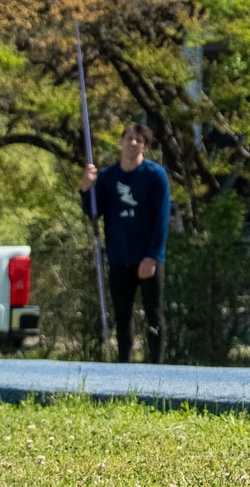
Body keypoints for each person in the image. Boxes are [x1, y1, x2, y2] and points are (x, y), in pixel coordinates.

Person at [80, 120, 171, 363]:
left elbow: (162, 220)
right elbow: (92, 212)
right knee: (122, 314)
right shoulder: (109, 177)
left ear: (144, 146)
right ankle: (123, 364)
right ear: (121, 142)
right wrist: (86, 189)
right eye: (129, 138)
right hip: (120, 256)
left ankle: (156, 366)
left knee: (154, 313)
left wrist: (152, 256)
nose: (132, 143)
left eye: (138, 140)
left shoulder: (155, 175)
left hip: (148, 257)